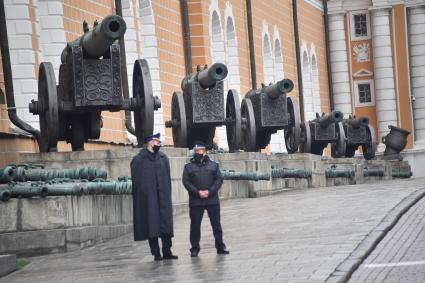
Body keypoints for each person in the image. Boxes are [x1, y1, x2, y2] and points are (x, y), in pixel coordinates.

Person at [130, 133, 178, 261]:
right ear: (150, 142)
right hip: (149, 199)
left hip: (163, 197)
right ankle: (156, 252)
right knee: (152, 225)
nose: (158, 144)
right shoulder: (139, 159)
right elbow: (136, 181)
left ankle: (167, 251)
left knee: (166, 225)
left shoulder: (163, 158)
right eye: (156, 141)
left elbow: (167, 177)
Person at [182, 141, 229, 257]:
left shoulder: (214, 165)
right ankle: (194, 248)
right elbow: (186, 182)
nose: (198, 152)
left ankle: (220, 247)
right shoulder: (188, 167)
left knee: (216, 225)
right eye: (196, 150)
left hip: (211, 200)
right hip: (196, 201)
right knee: (195, 226)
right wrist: (198, 192)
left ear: (205, 151)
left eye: (200, 150)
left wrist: (210, 191)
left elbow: (219, 180)